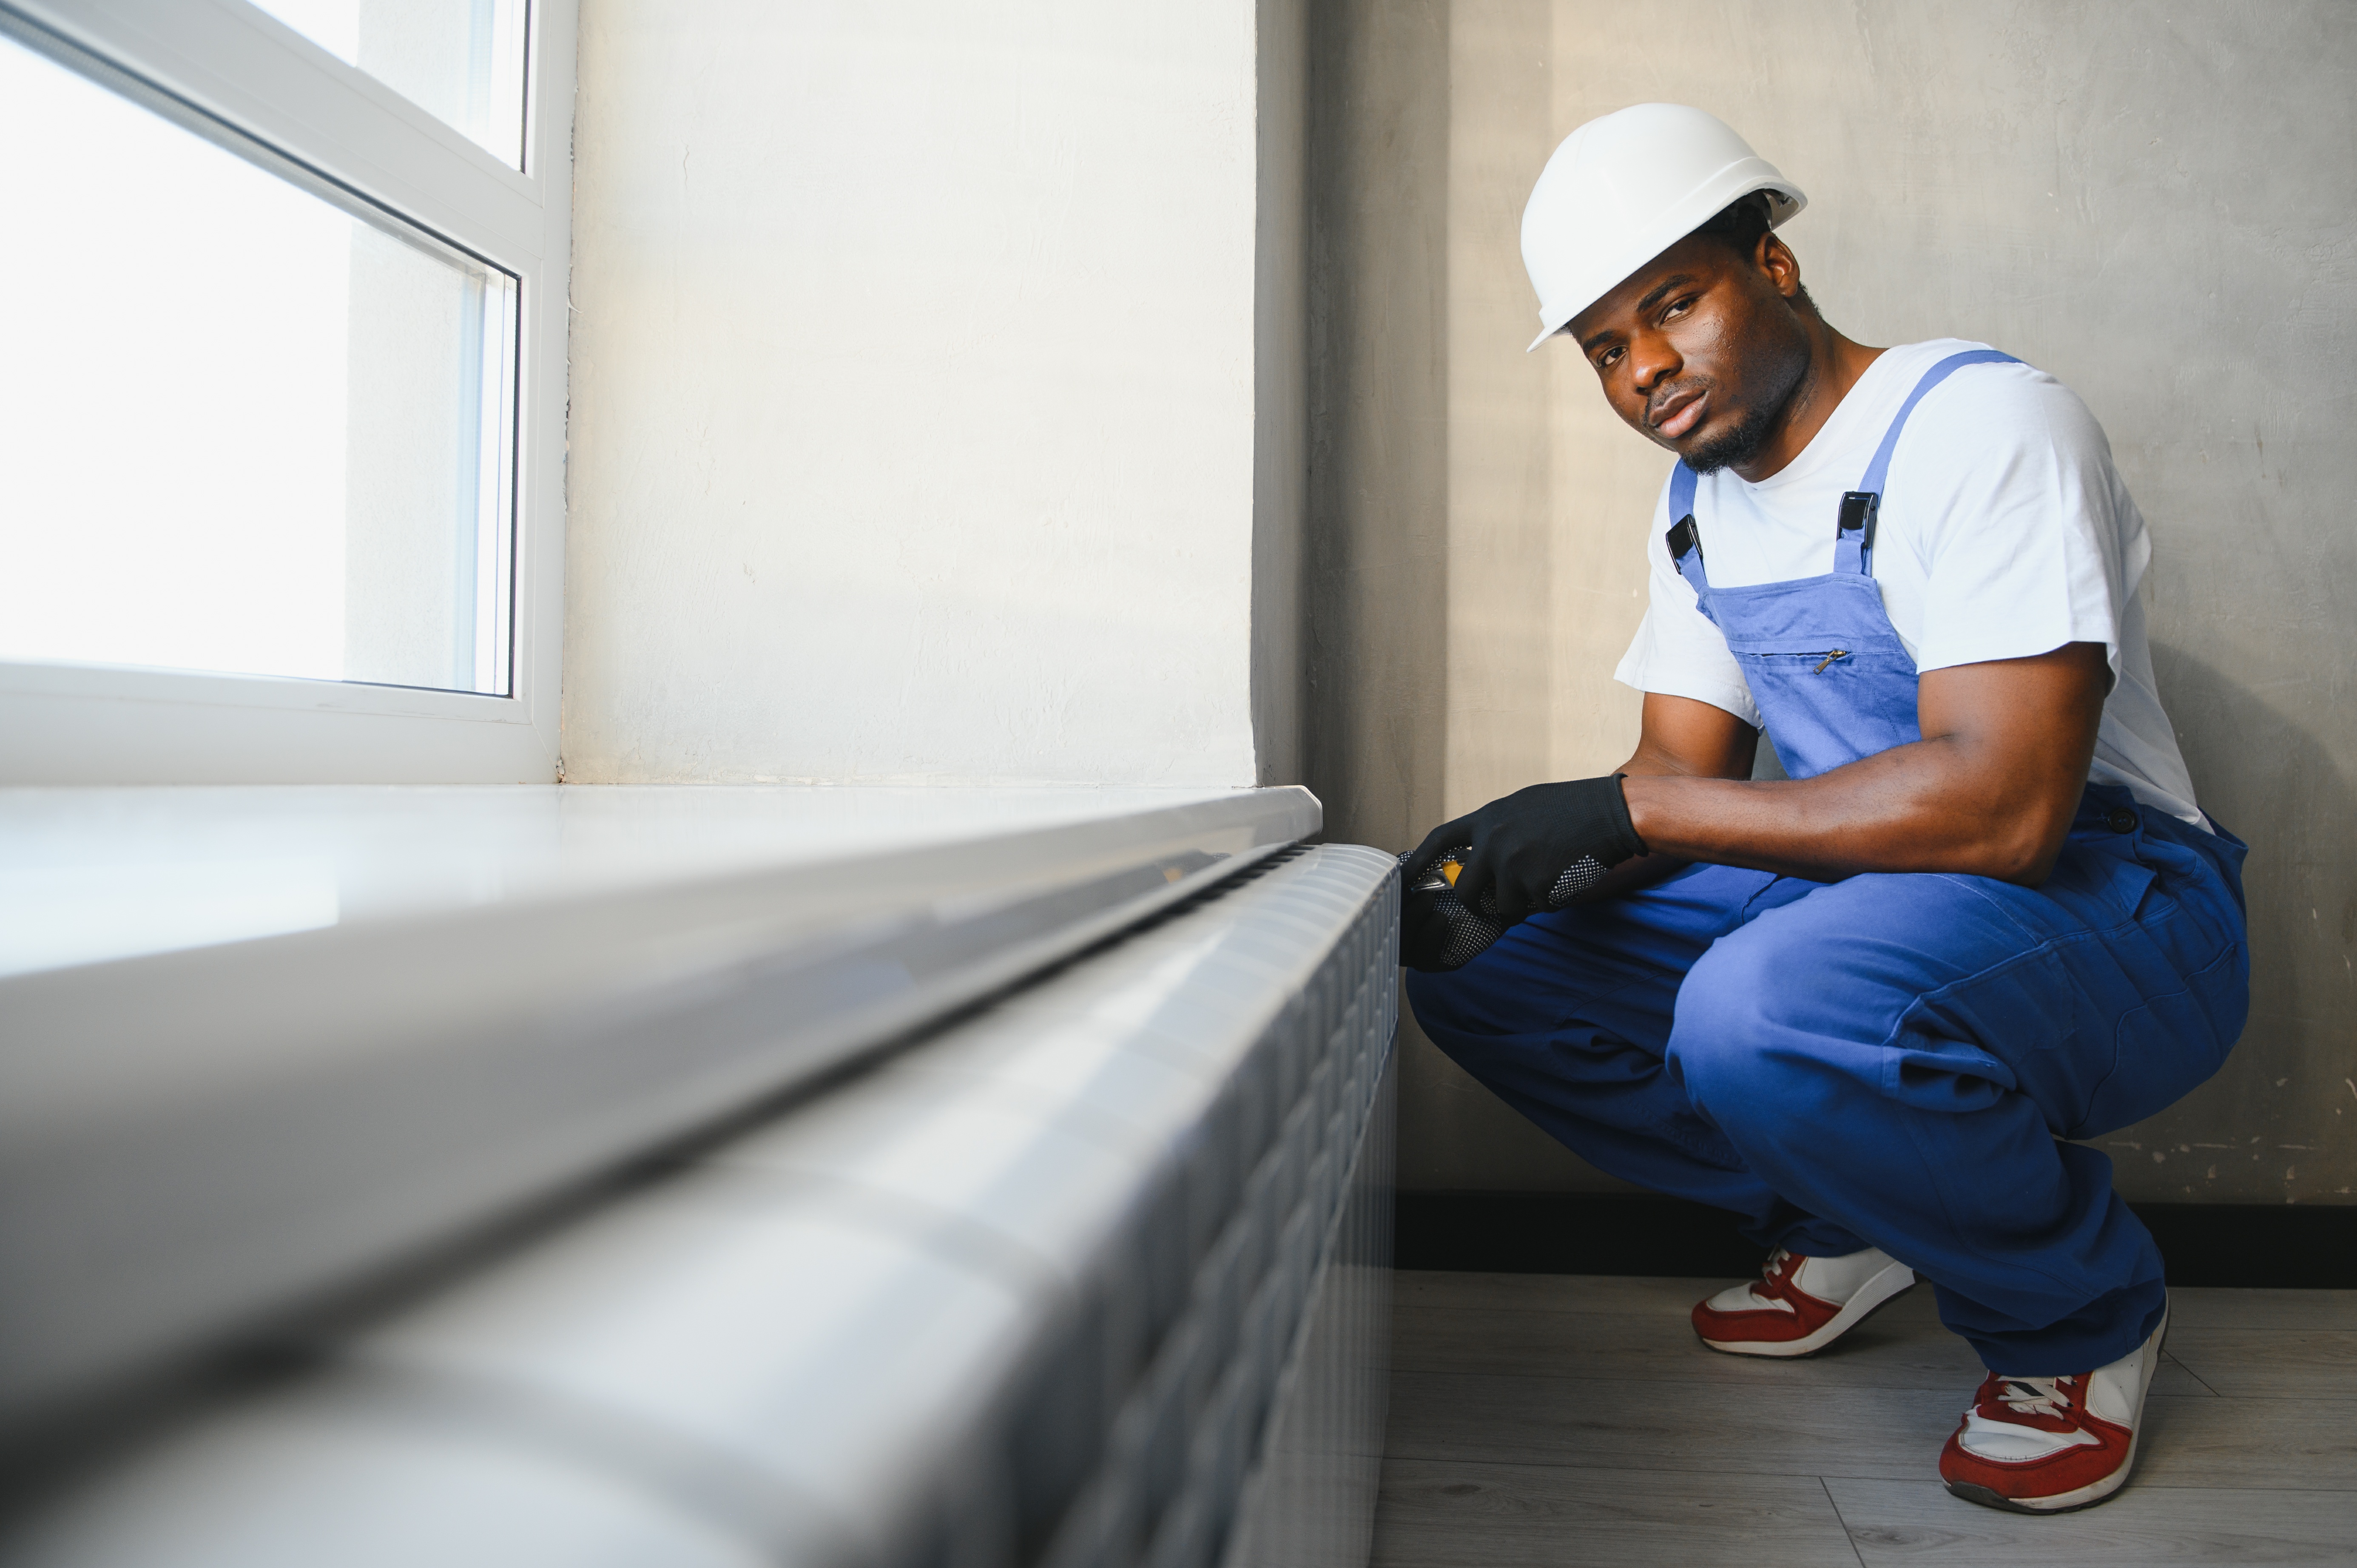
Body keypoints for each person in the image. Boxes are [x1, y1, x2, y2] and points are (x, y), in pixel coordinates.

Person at [1399, 103, 2249, 1515]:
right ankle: (1850, 1218)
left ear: (1773, 265)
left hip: (2122, 910)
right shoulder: (1701, 505)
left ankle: (2078, 1319)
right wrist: (1511, 858)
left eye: (1673, 304)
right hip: (1882, 908)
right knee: (1501, 969)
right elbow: (1679, 781)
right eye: (1607, 347)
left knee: (1762, 1001)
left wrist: (1625, 813)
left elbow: (2008, 810)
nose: (1647, 368)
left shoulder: (1979, 426)